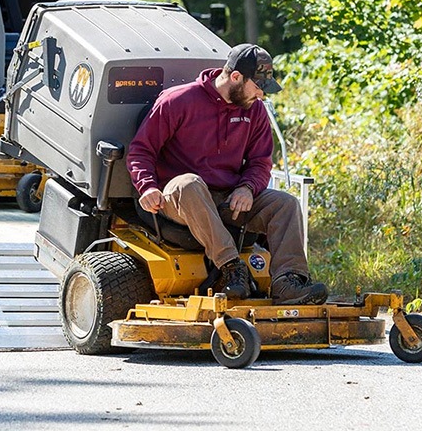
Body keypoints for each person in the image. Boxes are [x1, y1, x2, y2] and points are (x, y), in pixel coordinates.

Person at [126, 43, 328, 305]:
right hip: (177, 200)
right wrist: (148, 187)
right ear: (235, 77)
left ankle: (288, 282)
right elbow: (141, 151)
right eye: (257, 87)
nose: (262, 96)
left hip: (226, 199)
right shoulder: (176, 101)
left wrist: (247, 187)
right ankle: (232, 268)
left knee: (285, 204)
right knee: (189, 184)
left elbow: (260, 161)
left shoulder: (254, 110)